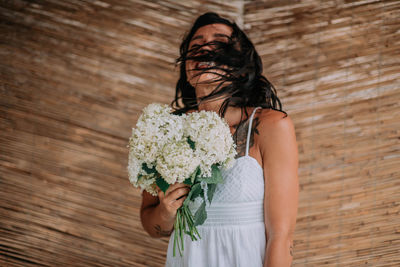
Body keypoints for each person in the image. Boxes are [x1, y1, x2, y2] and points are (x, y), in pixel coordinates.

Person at [140, 12, 299, 267]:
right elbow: (152, 226)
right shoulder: (167, 129)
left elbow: (281, 236)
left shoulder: (270, 126)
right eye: (196, 46)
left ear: (239, 66)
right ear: (187, 70)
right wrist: (166, 211)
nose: (205, 50)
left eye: (219, 43)